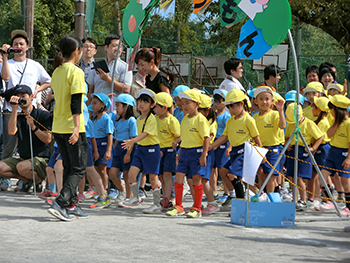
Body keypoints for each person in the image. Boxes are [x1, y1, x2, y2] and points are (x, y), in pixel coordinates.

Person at [48, 34, 89, 221]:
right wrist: (75, 128)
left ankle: (71, 204)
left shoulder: (56, 71)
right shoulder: (76, 72)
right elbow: (76, 101)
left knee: (69, 166)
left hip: (58, 126)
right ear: (76, 51)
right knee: (79, 169)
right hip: (73, 127)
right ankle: (61, 202)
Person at [0, 29, 51, 160]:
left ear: (27, 47)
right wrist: (5, 57)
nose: (18, 47)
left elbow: (48, 81)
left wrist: (37, 91)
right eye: (15, 44)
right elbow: (5, 77)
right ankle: (5, 177)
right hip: (10, 109)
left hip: (29, 109)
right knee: (9, 144)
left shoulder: (35, 65)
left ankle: (27, 175)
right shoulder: (7, 64)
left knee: (29, 142)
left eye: (21, 44)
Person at [210, 89, 262, 207]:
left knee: (233, 175)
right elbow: (224, 136)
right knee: (223, 171)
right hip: (234, 151)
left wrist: (261, 153)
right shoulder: (230, 121)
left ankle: (240, 201)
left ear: (241, 104)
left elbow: (256, 137)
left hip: (244, 151)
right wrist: (212, 146)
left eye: (233, 106)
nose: (231, 109)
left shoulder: (248, 119)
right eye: (229, 107)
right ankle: (233, 193)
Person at [165, 89, 210, 218]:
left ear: (197, 104)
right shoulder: (184, 120)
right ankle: (179, 206)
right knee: (179, 177)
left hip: (196, 152)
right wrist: (179, 152)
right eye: (182, 103)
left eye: (187, 103)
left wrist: (203, 155)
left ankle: (197, 208)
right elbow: (184, 137)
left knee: (196, 179)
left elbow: (206, 138)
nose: (184, 106)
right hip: (184, 152)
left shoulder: (201, 120)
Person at [0, 84, 52, 192]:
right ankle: (27, 180)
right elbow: (11, 132)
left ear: (32, 96)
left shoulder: (43, 115)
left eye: (23, 96)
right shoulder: (18, 117)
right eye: (18, 97)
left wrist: (34, 127)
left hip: (41, 158)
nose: (21, 99)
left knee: (21, 167)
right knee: (2, 167)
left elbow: (48, 139)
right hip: (24, 159)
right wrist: (14, 110)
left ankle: (38, 180)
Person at [122, 89, 162, 214]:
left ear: (152, 105)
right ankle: (135, 197)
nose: (141, 104)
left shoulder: (152, 119)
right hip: (140, 149)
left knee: (153, 178)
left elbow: (145, 134)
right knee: (131, 174)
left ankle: (157, 204)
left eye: (145, 101)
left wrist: (132, 141)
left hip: (151, 149)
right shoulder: (138, 118)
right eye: (139, 101)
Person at [285, 103, 324, 211]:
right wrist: (287, 144)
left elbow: (320, 136)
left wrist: (313, 148)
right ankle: (295, 199)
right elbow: (287, 137)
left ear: (302, 114)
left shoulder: (309, 124)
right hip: (293, 150)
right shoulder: (290, 124)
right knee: (291, 177)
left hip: (303, 151)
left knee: (299, 177)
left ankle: (303, 199)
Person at [319, 95, 350, 216]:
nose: (330, 112)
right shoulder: (335, 122)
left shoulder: (348, 123)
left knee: (345, 183)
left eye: (332, 109)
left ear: (337, 110)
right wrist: (336, 123)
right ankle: (330, 201)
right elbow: (329, 134)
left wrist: (348, 158)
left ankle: (348, 207)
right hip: (332, 152)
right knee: (323, 176)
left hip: (344, 154)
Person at [253, 87, 285, 194]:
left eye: (267, 99)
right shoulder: (255, 117)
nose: (264, 102)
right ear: (256, 101)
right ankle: (265, 193)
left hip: (274, 148)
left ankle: (270, 197)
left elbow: (282, 126)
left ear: (272, 101)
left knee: (271, 175)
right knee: (261, 173)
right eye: (261, 99)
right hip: (260, 148)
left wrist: (280, 111)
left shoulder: (275, 114)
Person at [86, 34, 132, 108]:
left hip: (114, 112)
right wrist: (89, 112)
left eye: (120, 46)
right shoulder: (97, 66)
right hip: (96, 113)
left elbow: (127, 89)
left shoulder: (125, 67)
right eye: (114, 45)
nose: (118, 49)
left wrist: (108, 80)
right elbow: (90, 89)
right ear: (106, 47)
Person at [153, 92, 181, 211]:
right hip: (158, 150)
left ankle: (167, 198)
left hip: (169, 150)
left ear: (164, 108)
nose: (154, 109)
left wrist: (175, 142)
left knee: (167, 175)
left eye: (156, 106)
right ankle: (167, 198)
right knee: (160, 176)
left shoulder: (172, 120)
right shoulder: (153, 119)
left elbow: (179, 136)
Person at [109, 94, 137, 205]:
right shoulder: (118, 121)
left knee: (126, 175)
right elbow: (116, 137)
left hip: (127, 148)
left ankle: (129, 197)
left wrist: (128, 154)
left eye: (118, 105)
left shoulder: (132, 121)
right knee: (112, 173)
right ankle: (122, 190)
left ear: (126, 107)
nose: (116, 108)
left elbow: (133, 138)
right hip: (118, 148)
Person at [197, 93, 220, 214]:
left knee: (203, 179)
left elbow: (209, 137)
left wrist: (204, 152)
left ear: (207, 110)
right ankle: (198, 203)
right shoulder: (199, 120)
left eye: (200, 109)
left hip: (206, 152)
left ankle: (212, 203)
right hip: (197, 150)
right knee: (195, 179)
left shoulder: (211, 122)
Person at [89, 93, 114, 193]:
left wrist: (108, 151)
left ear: (103, 105)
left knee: (103, 169)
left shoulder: (106, 118)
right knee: (95, 168)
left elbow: (110, 135)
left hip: (103, 144)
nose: (92, 105)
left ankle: (104, 190)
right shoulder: (94, 119)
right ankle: (97, 189)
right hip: (95, 144)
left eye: (95, 103)